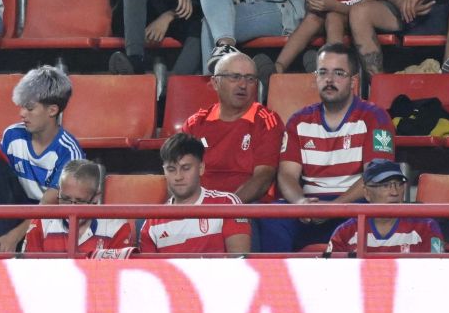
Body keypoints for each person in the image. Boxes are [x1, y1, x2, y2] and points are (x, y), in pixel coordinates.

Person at [266, 45, 393, 252]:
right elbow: (286, 174)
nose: (329, 80)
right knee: (271, 217)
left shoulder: (375, 117)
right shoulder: (299, 120)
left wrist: (335, 208)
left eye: (339, 73)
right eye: (323, 72)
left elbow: (375, 177)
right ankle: (279, 282)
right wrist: (300, 202)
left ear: (353, 81)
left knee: (372, 215)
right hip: (310, 208)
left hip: (353, 206)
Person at [0, 66, 84, 253]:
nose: (22, 114)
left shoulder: (69, 152)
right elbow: (1, 191)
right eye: (22, 106)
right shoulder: (12, 134)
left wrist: (13, 237)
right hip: (15, 211)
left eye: (30, 108)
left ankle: (0, 251)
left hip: (48, 219)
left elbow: (47, 208)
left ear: (52, 110)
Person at [182, 48, 283, 202]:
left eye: (250, 79)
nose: (243, 85)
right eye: (235, 77)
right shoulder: (195, 123)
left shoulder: (266, 120)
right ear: (215, 82)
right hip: (198, 208)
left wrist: (225, 209)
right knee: (144, 220)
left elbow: (263, 177)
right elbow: (180, 175)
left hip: (246, 208)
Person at [140, 133, 250, 255]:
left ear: (201, 168)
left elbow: (240, 262)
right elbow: (151, 270)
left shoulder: (227, 203)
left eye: (186, 168)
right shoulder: (151, 223)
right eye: (171, 170)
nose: (178, 177)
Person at [326, 159, 445, 256]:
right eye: (385, 185)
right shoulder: (345, 232)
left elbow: (435, 273)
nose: (394, 192)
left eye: (399, 184)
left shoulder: (426, 227)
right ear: (367, 193)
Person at [21, 159, 137, 256]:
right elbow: (29, 273)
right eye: (65, 199)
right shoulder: (41, 224)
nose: (71, 208)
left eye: (80, 201)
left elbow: (114, 276)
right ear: (59, 191)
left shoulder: (116, 228)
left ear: (96, 197)